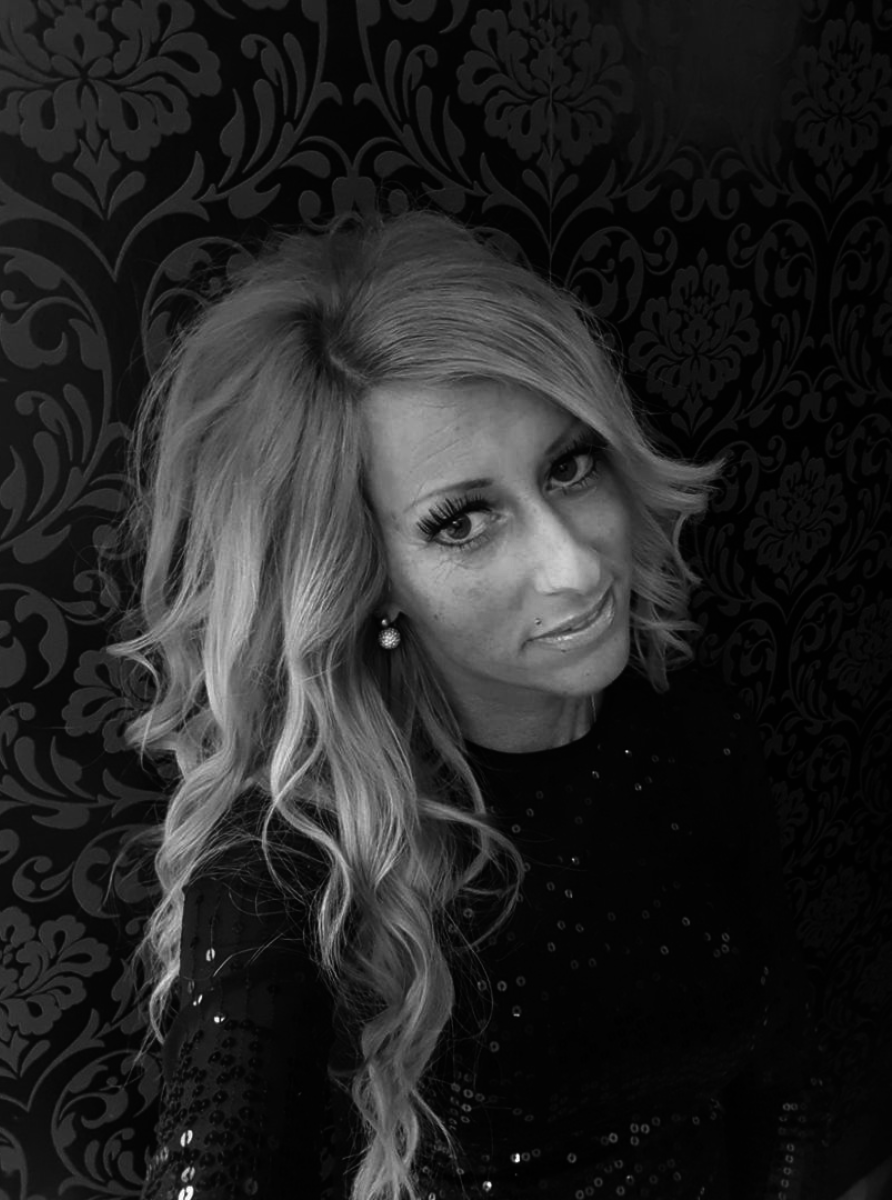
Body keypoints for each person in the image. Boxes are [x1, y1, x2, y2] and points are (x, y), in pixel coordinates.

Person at [108, 209, 828, 1200]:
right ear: (364, 576)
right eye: (462, 522)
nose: (576, 567)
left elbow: (778, 1074)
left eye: (568, 466)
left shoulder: (691, 723)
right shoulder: (293, 856)